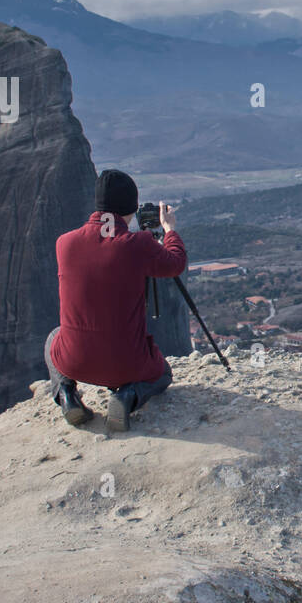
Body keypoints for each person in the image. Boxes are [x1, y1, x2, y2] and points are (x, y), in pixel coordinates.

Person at [45, 169, 187, 433]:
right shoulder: (137, 245)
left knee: (54, 336)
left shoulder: (64, 244)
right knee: (164, 373)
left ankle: (66, 394)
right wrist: (169, 230)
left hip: (75, 361)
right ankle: (127, 396)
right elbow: (175, 263)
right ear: (132, 206)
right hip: (127, 365)